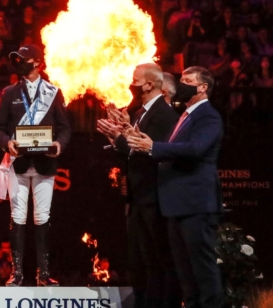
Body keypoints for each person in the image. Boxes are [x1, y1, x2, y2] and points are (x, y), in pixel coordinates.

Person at [127, 66, 224, 308]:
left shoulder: (208, 115)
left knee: (202, 270)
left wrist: (153, 148)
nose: (182, 84)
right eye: (181, 79)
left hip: (195, 205)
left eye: (189, 80)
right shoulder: (185, 115)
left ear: (203, 87)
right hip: (176, 205)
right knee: (186, 275)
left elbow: (195, 148)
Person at [96, 63, 180, 308]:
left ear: (150, 84)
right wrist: (117, 139)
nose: (131, 85)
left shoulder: (164, 115)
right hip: (138, 198)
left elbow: (154, 153)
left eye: (135, 80)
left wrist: (121, 139)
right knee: (143, 261)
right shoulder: (139, 113)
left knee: (160, 259)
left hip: (154, 198)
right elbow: (132, 154)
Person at [0, 44, 71, 286]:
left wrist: (59, 144)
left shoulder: (53, 92)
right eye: (17, 59)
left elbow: (65, 127)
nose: (19, 63)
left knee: (42, 217)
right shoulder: (9, 93)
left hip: (45, 164)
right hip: (19, 163)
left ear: (37, 62)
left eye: (23, 59)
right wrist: (8, 143)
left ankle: (43, 275)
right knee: (17, 217)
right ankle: (16, 274)